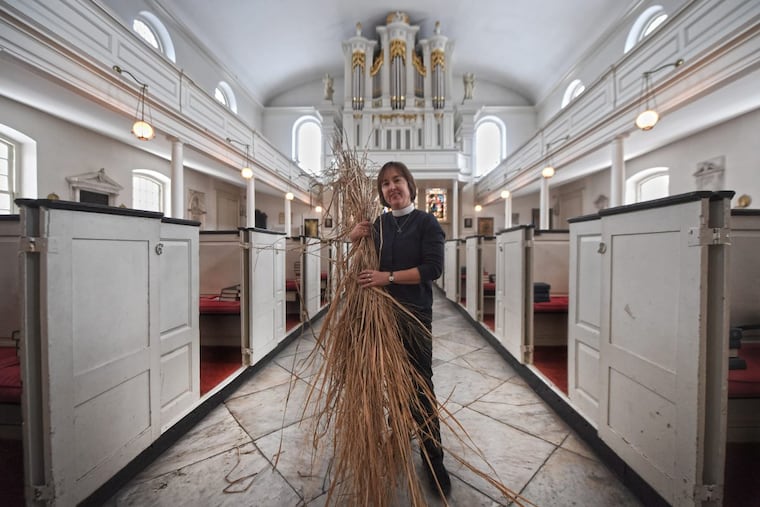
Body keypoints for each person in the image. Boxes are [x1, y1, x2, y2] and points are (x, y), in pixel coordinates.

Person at [349, 161, 451, 498]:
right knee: (386, 382)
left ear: (410, 185)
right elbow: (364, 270)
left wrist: (388, 278)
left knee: (420, 388)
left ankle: (433, 459)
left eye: (398, 180)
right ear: (381, 192)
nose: (392, 187)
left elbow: (432, 269)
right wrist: (354, 242)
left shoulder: (426, 222)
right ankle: (394, 439)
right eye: (385, 183)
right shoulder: (376, 225)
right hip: (380, 317)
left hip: (415, 314)